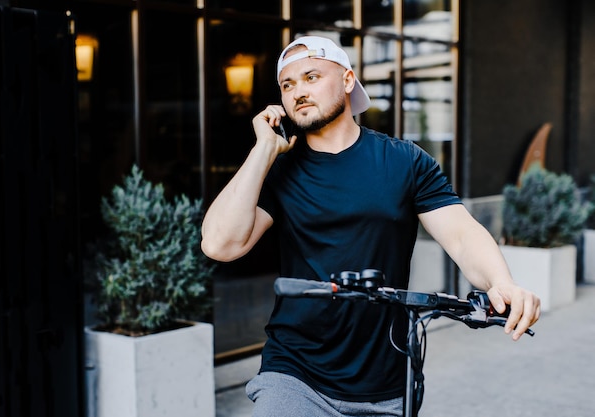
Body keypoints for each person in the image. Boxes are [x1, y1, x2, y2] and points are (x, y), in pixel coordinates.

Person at [201, 36, 541, 417]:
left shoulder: (404, 162)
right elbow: (219, 244)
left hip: (386, 381)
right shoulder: (280, 170)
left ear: (348, 80)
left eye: (311, 76)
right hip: (295, 373)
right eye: (287, 85)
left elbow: (461, 235)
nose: (298, 92)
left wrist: (501, 282)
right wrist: (263, 149)